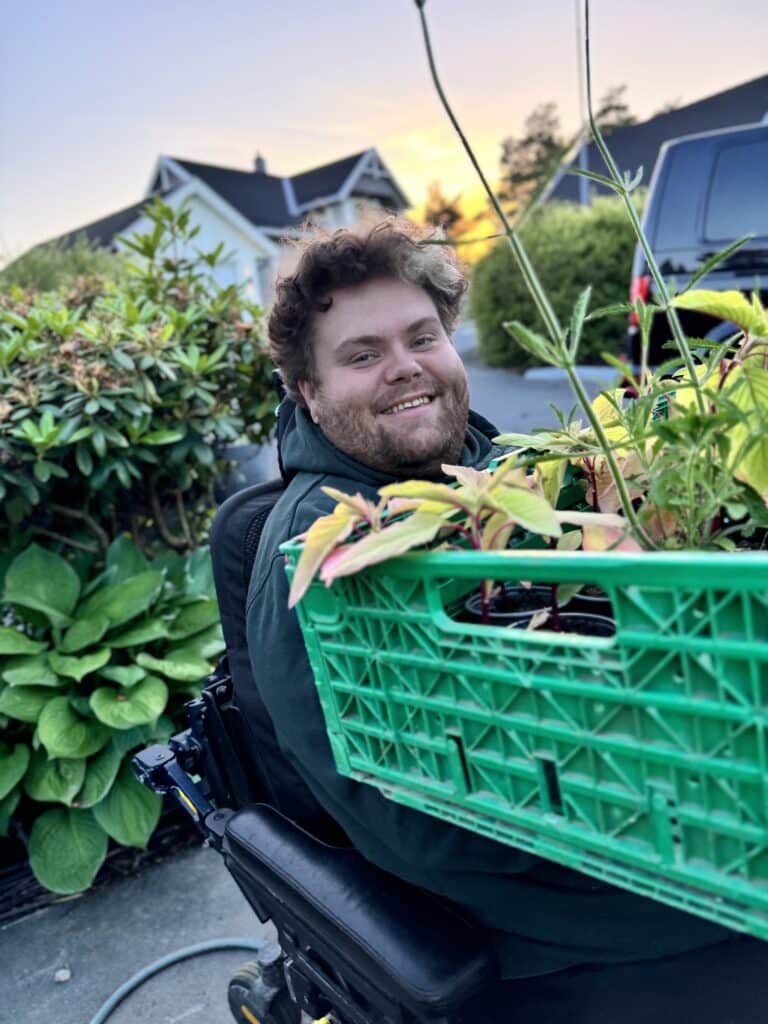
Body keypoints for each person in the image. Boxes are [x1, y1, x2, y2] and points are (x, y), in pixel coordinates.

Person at [245, 218, 762, 1022]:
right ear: (308, 393)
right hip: (559, 926)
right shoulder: (331, 551)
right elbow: (422, 830)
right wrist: (661, 788)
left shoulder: (505, 471)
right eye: (362, 354)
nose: (405, 367)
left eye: (423, 337)